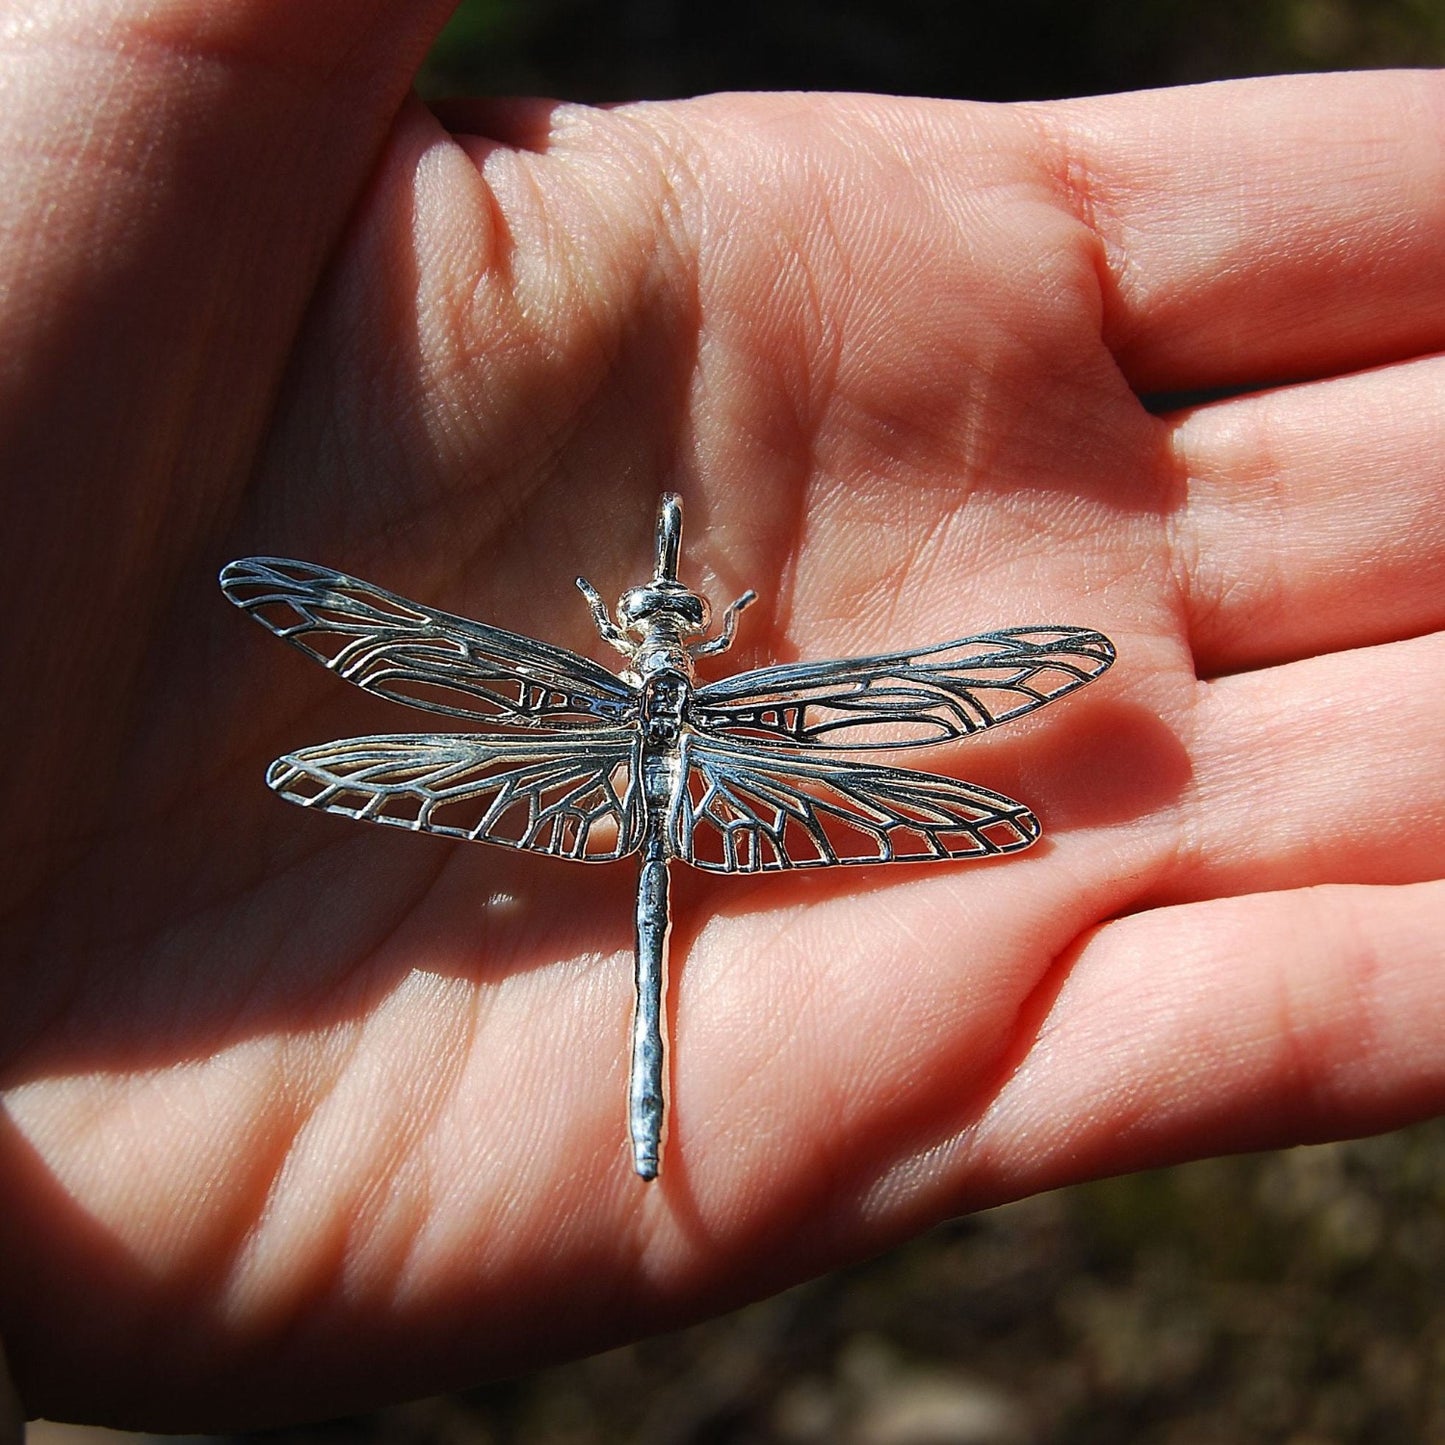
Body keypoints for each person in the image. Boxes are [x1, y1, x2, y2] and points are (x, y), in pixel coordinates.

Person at [2, 1, 1442, 1432]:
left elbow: (378, 650)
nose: (665, 625)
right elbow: (966, 717)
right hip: (701, 791)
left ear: (634, 630)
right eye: (662, 621)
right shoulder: (747, 692)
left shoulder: (564, 680)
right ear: (663, 632)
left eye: (661, 621)